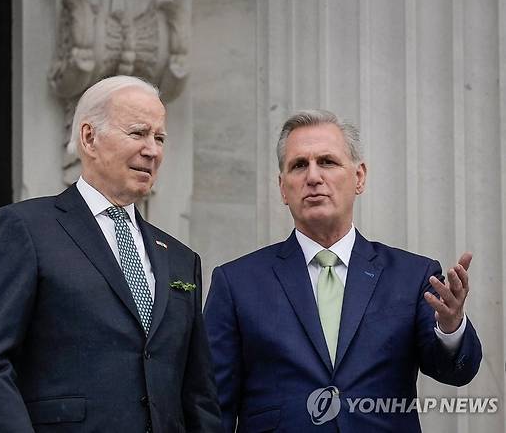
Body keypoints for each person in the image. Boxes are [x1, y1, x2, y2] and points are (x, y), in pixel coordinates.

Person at [0, 75, 222, 433]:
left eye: (159, 138)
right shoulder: (25, 229)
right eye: (138, 133)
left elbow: (199, 394)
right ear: (89, 138)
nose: (153, 150)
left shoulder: (180, 258)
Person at [204, 109, 482, 432]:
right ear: (282, 188)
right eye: (298, 166)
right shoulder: (236, 283)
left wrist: (450, 328)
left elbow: (457, 372)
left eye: (327, 162)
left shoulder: (412, 276)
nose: (313, 177)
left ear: (359, 177)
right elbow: (213, 408)